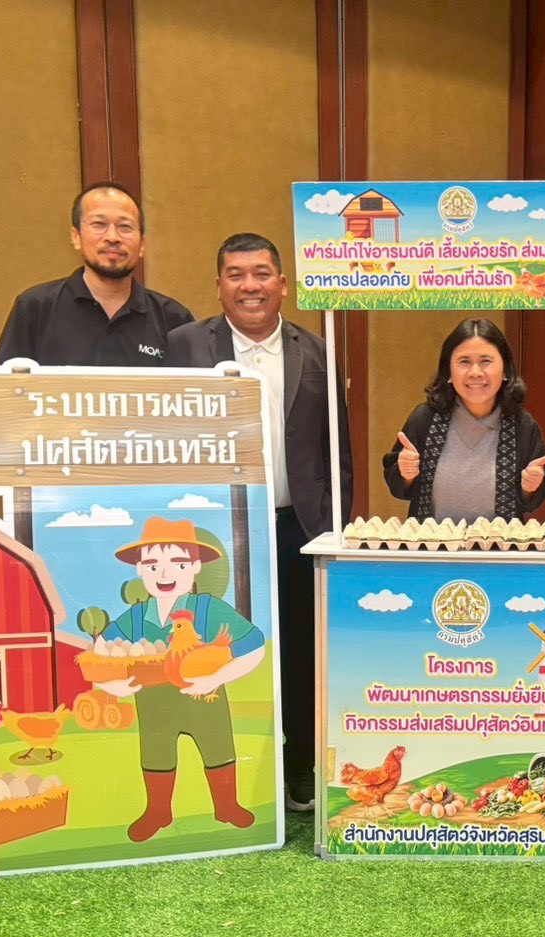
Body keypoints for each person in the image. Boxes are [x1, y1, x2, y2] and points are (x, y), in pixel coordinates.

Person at [168, 232, 353, 812]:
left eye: (261, 273)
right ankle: (225, 772)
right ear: (218, 285)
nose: (250, 286)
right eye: (236, 274)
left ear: (283, 284)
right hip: (215, 532)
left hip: (298, 527)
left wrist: (335, 527)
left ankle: (299, 768)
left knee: (300, 650)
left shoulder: (316, 350)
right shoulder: (183, 346)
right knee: (213, 648)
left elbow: (337, 450)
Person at [94, 518, 266, 842]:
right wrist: (110, 684)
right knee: (156, 755)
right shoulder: (136, 617)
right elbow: (100, 650)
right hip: (154, 705)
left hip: (206, 701)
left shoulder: (208, 609)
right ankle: (158, 811)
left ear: (196, 567)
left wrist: (216, 677)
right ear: (139, 569)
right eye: (153, 565)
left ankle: (226, 806)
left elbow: (254, 646)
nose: (165, 574)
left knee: (218, 751)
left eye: (179, 563)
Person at [0, 181, 193, 366]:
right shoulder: (36, 308)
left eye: (125, 227)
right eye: (99, 225)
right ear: (76, 237)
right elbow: (6, 388)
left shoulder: (174, 320)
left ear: (142, 245)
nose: (112, 237)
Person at [383, 318, 545, 521]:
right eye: (464, 362)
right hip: (433, 541)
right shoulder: (424, 419)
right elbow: (399, 488)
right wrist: (406, 473)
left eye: (486, 361)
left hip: (499, 541)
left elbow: (532, 499)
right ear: (448, 371)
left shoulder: (522, 426)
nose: (475, 373)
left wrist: (530, 486)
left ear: (505, 370)